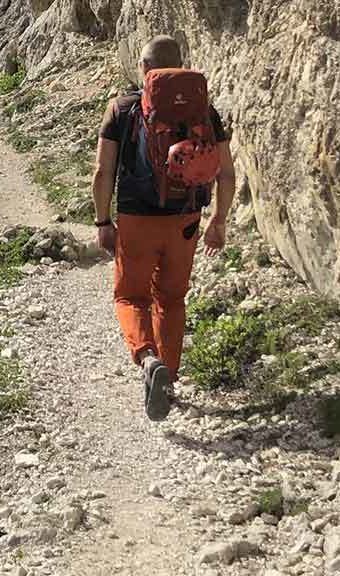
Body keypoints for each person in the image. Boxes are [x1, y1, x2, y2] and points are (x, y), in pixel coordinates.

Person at [91, 35, 236, 421]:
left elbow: (103, 171)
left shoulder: (122, 108)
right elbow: (225, 174)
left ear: (143, 68)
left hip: (137, 219)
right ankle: (168, 377)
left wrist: (103, 221)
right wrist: (218, 221)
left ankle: (147, 359)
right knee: (171, 299)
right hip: (185, 221)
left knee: (130, 296)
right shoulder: (205, 112)